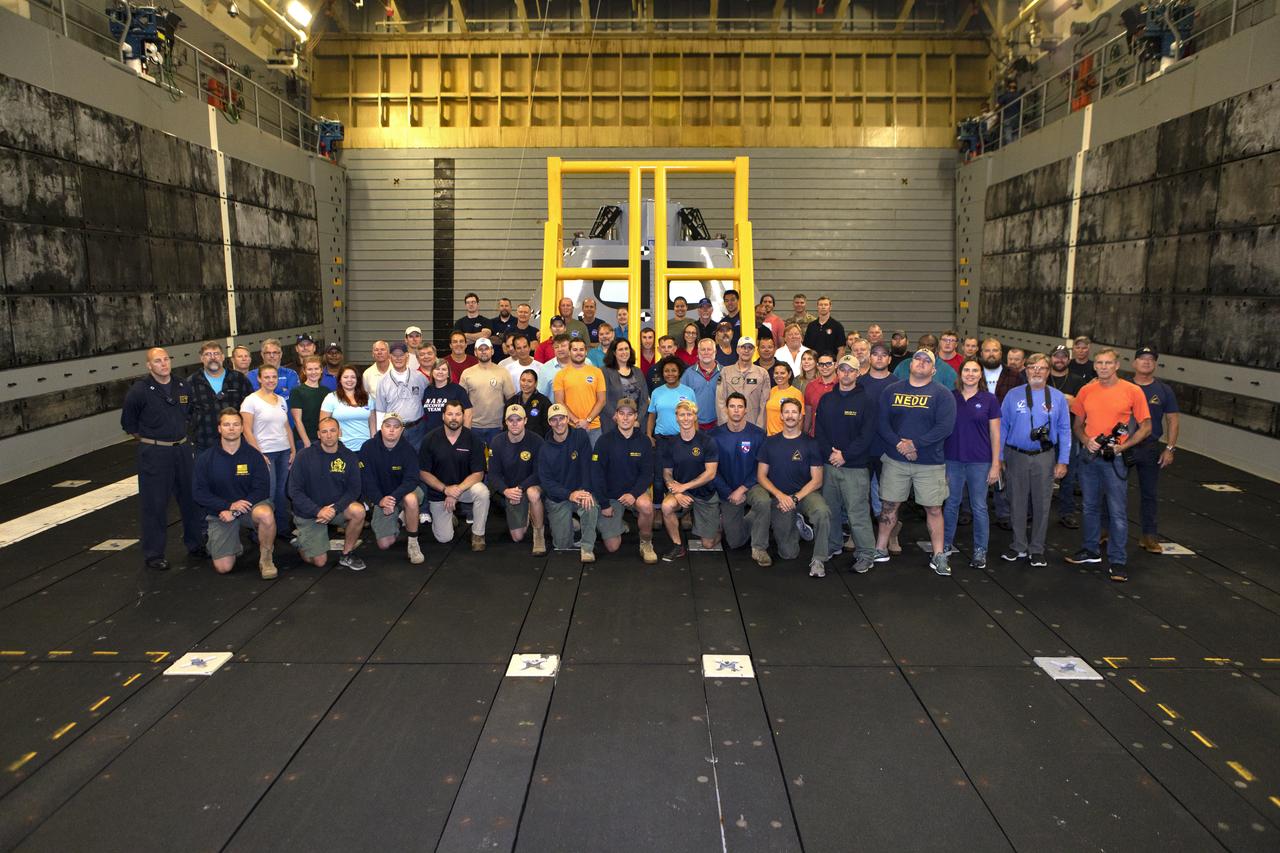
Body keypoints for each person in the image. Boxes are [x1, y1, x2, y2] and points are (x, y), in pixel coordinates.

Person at [1066, 349, 1152, 581]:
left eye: (1108, 363)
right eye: (1100, 363)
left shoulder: (1132, 391)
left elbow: (1146, 427)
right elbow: (1077, 425)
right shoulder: (1086, 391)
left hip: (1115, 459)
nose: (1103, 367)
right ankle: (1091, 550)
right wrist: (1086, 441)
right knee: (1090, 506)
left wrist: (1122, 447)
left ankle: (1117, 560)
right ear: (1095, 366)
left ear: (1117, 366)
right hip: (1090, 457)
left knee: (1117, 511)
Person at [874, 349, 958, 576]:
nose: (921, 363)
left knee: (933, 508)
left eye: (927, 361)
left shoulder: (942, 394)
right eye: (917, 359)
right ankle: (880, 549)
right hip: (895, 460)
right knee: (889, 505)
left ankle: (938, 555)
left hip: (930, 463)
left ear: (934, 369)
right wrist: (901, 445)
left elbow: (945, 427)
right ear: (909, 365)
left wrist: (916, 445)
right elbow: (882, 423)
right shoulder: (891, 391)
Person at [122, 347, 206, 569]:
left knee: (190, 499)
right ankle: (154, 554)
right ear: (149, 366)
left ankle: (196, 544)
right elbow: (128, 423)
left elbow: (190, 412)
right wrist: (153, 440)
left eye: (166, 359)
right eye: (157, 361)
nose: (163, 364)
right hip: (155, 453)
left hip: (182, 450)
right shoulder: (139, 391)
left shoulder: (182, 386)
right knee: (155, 504)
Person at [999, 353, 1071, 567]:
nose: (1036, 372)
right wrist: (999, 457)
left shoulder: (1057, 397)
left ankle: (1037, 549)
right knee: (1017, 502)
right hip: (1016, 455)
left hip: (1044, 457)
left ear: (1048, 372)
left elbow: (1065, 430)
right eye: (1032, 367)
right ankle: (1018, 546)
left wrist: (1063, 461)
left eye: (1041, 368)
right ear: (1026, 370)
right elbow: (1002, 427)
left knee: (1042, 503)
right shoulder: (1013, 395)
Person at [192, 408, 276, 577]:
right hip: (221, 512)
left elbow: (262, 489)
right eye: (227, 424)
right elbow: (199, 492)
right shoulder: (206, 458)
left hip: (248, 507)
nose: (231, 428)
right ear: (219, 428)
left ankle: (266, 558)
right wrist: (227, 506)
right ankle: (230, 545)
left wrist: (236, 509)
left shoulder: (254, 456)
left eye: (236, 424)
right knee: (224, 568)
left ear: (242, 428)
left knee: (266, 515)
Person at [815, 355, 877, 573]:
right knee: (830, 510)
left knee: (857, 512)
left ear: (857, 373)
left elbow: (867, 435)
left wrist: (845, 455)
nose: (846, 374)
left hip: (855, 467)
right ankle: (833, 545)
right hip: (830, 466)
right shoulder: (827, 400)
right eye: (843, 369)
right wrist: (830, 455)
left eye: (851, 370)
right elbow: (819, 430)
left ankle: (866, 553)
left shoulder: (866, 401)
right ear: (837, 372)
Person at [757, 398, 831, 577]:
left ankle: (819, 559)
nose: (790, 416)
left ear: (800, 416)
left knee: (822, 512)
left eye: (794, 412)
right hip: (780, 498)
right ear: (781, 416)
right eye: (787, 412)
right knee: (789, 554)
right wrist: (780, 495)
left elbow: (817, 480)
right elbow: (761, 476)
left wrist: (795, 498)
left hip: (804, 495)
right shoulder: (770, 442)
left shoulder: (811, 443)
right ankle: (797, 524)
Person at [941, 358, 1001, 570]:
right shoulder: (950, 397)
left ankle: (980, 550)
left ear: (980, 375)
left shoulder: (989, 400)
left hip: (980, 461)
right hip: (953, 460)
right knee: (951, 505)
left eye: (975, 370)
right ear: (961, 374)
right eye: (966, 370)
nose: (970, 374)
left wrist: (995, 464)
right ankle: (945, 545)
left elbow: (995, 434)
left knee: (979, 506)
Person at [287, 416, 366, 570]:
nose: (329, 435)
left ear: (339, 433)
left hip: (335, 509)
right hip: (310, 513)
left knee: (358, 511)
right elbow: (293, 491)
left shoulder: (349, 456)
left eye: (332, 431)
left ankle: (347, 554)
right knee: (319, 561)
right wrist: (317, 511)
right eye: (324, 431)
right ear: (318, 434)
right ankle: (301, 541)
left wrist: (335, 509)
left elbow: (354, 490)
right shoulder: (304, 456)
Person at [591, 398, 658, 563]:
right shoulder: (604, 441)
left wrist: (633, 494)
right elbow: (596, 474)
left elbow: (647, 474)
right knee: (612, 547)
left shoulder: (643, 441)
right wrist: (604, 504)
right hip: (611, 496)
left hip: (633, 493)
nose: (626, 418)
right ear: (616, 416)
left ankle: (646, 542)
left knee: (647, 506)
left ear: (636, 416)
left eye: (630, 414)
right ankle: (619, 524)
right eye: (622, 413)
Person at [419, 400, 489, 551]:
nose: (454, 418)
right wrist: (445, 490)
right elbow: (423, 473)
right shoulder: (429, 439)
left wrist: (456, 490)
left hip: (464, 490)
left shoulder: (473, 439)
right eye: (450, 414)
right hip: (439, 493)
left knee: (482, 492)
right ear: (443, 416)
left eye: (458, 414)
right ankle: (450, 517)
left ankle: (478, 534)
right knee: (444, 538)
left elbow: (478, 473)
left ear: (463, 417)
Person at [1130, 346, 1180, 553]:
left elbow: (1173, 420)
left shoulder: (1164, 390)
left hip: (1149, 448)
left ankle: (1149, 536)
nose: (1146, 362)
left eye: (1151, 359)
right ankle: (1105, 531)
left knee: (1149, 493)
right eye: (1142, 358)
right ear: (1134, 363)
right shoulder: (1123, 386)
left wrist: (1170, 448)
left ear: (1155, 364)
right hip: (1124, 446)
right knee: (1112, 490)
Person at [359, 413, 426, 564]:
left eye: (396, 427)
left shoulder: (408, 450)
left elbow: (412, 480)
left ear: (402, 430)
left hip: (402, 493)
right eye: (388, 426)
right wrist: (380, 500)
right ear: (381, 428)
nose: (391, 430)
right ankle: (401, 519)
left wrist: (393, 499)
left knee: (411, 499)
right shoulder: (368, 447)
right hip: (381, 497)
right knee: (385, 544)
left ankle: (413, 542)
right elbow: (366, 479)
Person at [240, 364, 296, 540]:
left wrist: (293, 449)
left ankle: (281, 528)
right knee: (268, 494)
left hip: (284, 451)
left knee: (281, 493)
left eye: (274, 377)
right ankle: (259, 532)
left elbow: (286, 426)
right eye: (267, 377)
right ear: (259, 379)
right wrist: (258, 454)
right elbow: (246, 430)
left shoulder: (280, 400)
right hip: (265, 453)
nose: (271, 380)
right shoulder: (250, 401)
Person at [659, 400, 720, 560]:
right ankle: (678, 546)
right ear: (677, 418)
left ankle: (719, 525)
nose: (685, 418)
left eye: (689, 414)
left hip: (705, 493)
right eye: (682, 415)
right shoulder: (671, 443)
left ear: (694, 417)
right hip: (681, 492)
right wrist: (676, 491)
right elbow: (667, 473)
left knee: (708, 544)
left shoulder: (707, 441)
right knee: (666, 506)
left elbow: (710, 473)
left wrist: (684, 486)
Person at [710, 392, 770, 556]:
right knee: (735, 542)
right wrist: (729, 492)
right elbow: (711, 472)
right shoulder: (714, 436)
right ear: (726, 409)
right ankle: (756, 517)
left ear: (746, 410)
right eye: (732, 406)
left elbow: (761, 466)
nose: (736, 410)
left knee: (763, 501)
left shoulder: (758, 434)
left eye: (740, 407)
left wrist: (742, 488)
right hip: (728, 491)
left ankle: (759, 548)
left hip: (752, 485)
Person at [538, 403, 599, 562]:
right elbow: (546, 482)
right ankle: (572, 523)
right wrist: (568, 494)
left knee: (590, 504)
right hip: (558, 498)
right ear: (549, 422)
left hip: (580, 491)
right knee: (562, 545)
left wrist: (585, 491)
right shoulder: (544, 449)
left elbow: (587, 466)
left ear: (568, 419)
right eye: (554, 420)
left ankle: (587, 548)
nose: (558, 423)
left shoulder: (580, 436)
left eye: (562, 418)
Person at [488, 405, 546, 554]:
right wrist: (506, 491)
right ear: (505, 422)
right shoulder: (497, 442)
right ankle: (530, 513)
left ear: (525, 420)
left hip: (532, 487)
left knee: (533, 493)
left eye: (518, 419)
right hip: (511, 491)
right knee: (517, 537)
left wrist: (520, 488)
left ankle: (538, 534)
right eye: (511, 420)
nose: (515, 423)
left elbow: (539, 472)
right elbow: (493, 474)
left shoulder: (537, 441)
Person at [1047, 344, 1087, 528]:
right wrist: (1066, 398)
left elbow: (1080, 406)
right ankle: (1035, 511)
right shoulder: (1044, 377)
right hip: (1044, 435)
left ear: (1068, 360)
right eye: (1056, 356)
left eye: (1064, 356)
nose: (1060, 360)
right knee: (1041, 475)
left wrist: (1065, 400)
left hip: (1068, 433)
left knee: (1068, 476)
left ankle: (1067, 512)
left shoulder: (1077, 380)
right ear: (1050, 359)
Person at [188, 340, 252, 453]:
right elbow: (186, 415)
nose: (213, 358)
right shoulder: (192, 382)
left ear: (223, 357)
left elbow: (251, 410)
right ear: (201, 358)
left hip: (236, 444)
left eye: (216, 354)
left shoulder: (239, 379)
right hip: (204, 445)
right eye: (208, 354)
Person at [373, 340, 430, 450]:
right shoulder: (382, 381)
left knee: (417, 462)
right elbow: (380, 411)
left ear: (407, 356)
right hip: (393, 429)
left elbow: (428, 400)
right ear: (390, 357)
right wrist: (381, 433)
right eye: (395, 355)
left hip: (417, 429)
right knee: (395, 463)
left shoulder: (420, 377)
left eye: (401, 355)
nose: (398, 358)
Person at [459, 337, 515, 447]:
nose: (483, 351)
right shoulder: (467, 373)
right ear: (475, 352)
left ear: (492, 351)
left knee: (496, 461)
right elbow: (461, 402)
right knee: (476, 462)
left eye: (486, 348)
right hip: (473, 426)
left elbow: (511, 399)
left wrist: (507, 422)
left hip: (497, 427)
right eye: (480, 349)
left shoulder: (503, 371)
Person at [553, 339, 607, 445]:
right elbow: (559, 401)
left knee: (595, 460)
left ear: (586, 352)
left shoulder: (597, 372)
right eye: (575, 349)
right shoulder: (560, 375)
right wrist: (576, 421)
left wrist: (588, 420)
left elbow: (602, 400)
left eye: (581, 349)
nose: (578, 352)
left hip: (594, 427)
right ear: (569, 352)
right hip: (570, 427)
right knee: (572, 461)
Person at [321, 365, 375, 453]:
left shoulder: (367, 397)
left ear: (357, 380)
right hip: (341, 448)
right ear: (340, 380)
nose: (349, 380)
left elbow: (372, 424)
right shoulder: (331, 398)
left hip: (365, 447)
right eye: (345, 377)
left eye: (353, 377)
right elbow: (323, 424)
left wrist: (373, 443)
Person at [716, 337, 769, 427]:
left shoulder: (762, 373)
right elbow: (720, 401)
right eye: (743, 347)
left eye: (750, 348)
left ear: (754, 351)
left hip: (753, 426)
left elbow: (764, 403)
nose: (746, 350)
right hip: (730, 426)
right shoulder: (726, 372)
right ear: (737, 350)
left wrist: (759, 428)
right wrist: (725, 426)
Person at [601, 337, 649, 432]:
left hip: (636, 424)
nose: (624, 352)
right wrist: (617, 417)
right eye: (620, 349)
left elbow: (644, 400)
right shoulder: (604, 371)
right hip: (613, 422)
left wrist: (637, 419)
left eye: (626, 349)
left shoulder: (638, 371)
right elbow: (603, 399)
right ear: (614, 353)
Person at [422, 358, 473, 435]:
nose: (440, 372)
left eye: (444, 369)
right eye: (437, 369)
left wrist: (465, 435)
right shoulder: (427, 390)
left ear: (448, 373)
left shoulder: (458, 390)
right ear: (432, 372)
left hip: (452, 434)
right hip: (431, 435)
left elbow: (468, 414)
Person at [681, 338, 722, 431]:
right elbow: (682, 401)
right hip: (695, 425)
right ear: (698, 352)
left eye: (709, 349)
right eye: (703, 350)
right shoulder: (688, 373)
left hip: (719, 424)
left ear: (715, 351)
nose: (706, 352)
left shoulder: (725, 372)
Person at [290, 356, 331, 448]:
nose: (313, 372)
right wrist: (306, 442)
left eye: (316, 369)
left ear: (321, 370)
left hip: (323, 439)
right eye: (310, 369)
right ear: (304, 371)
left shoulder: (326, 391)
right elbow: (297, 420)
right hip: (304, 440)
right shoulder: (297, 391)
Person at [893, 335, 957, 390]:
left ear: (937, 349)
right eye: (922, 345)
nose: (925, 348)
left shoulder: (948, 371)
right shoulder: (903, 365)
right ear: (917, 347)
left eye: (930, 345)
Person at [802, 352, 838, 435]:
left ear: (835, 365)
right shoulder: (810, 386)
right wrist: (805, 434)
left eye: (828, 364)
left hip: (837, 436)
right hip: (815, 436)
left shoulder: (842, 384)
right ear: (817, 366)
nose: (824, 367)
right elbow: (808, 415)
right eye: (821, 364)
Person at [765, 362, 805, 436]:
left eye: (782, 373)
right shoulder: (772, 390)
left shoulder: (796, 393)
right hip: (770, 436)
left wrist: (795, 437)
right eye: (776, 373)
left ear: (789, 374)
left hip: (786, 437)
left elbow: (800, 419)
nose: (779, 376)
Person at [507, 369, 550, 437]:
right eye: (523, 380)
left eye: (529, 381)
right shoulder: (512, 401)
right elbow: (506, 424)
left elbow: (547, 427)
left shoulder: (544, 402)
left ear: (536, 383)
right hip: (515, 441)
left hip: (536, 442)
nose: (525, 384)